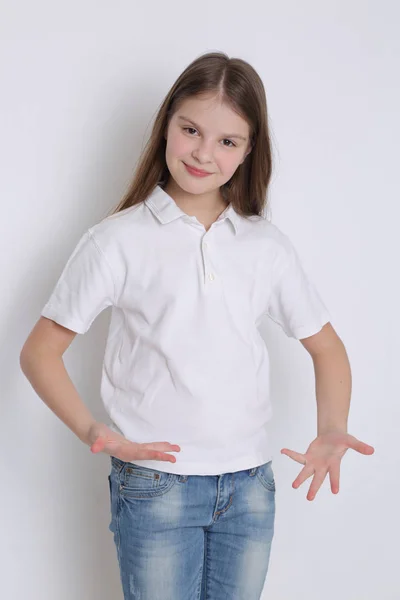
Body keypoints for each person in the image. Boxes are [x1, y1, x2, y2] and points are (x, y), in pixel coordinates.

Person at [20, 51, 375, 600]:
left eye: (227, 141)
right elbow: (40, 351)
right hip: (156, 485)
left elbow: (326, 347)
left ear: (248, 150)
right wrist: (95, 431)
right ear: (167, 124)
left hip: (250, 485)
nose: (204, 153)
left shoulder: (265, 245)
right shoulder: (116, 241)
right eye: (191, 130)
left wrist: (332, 428)